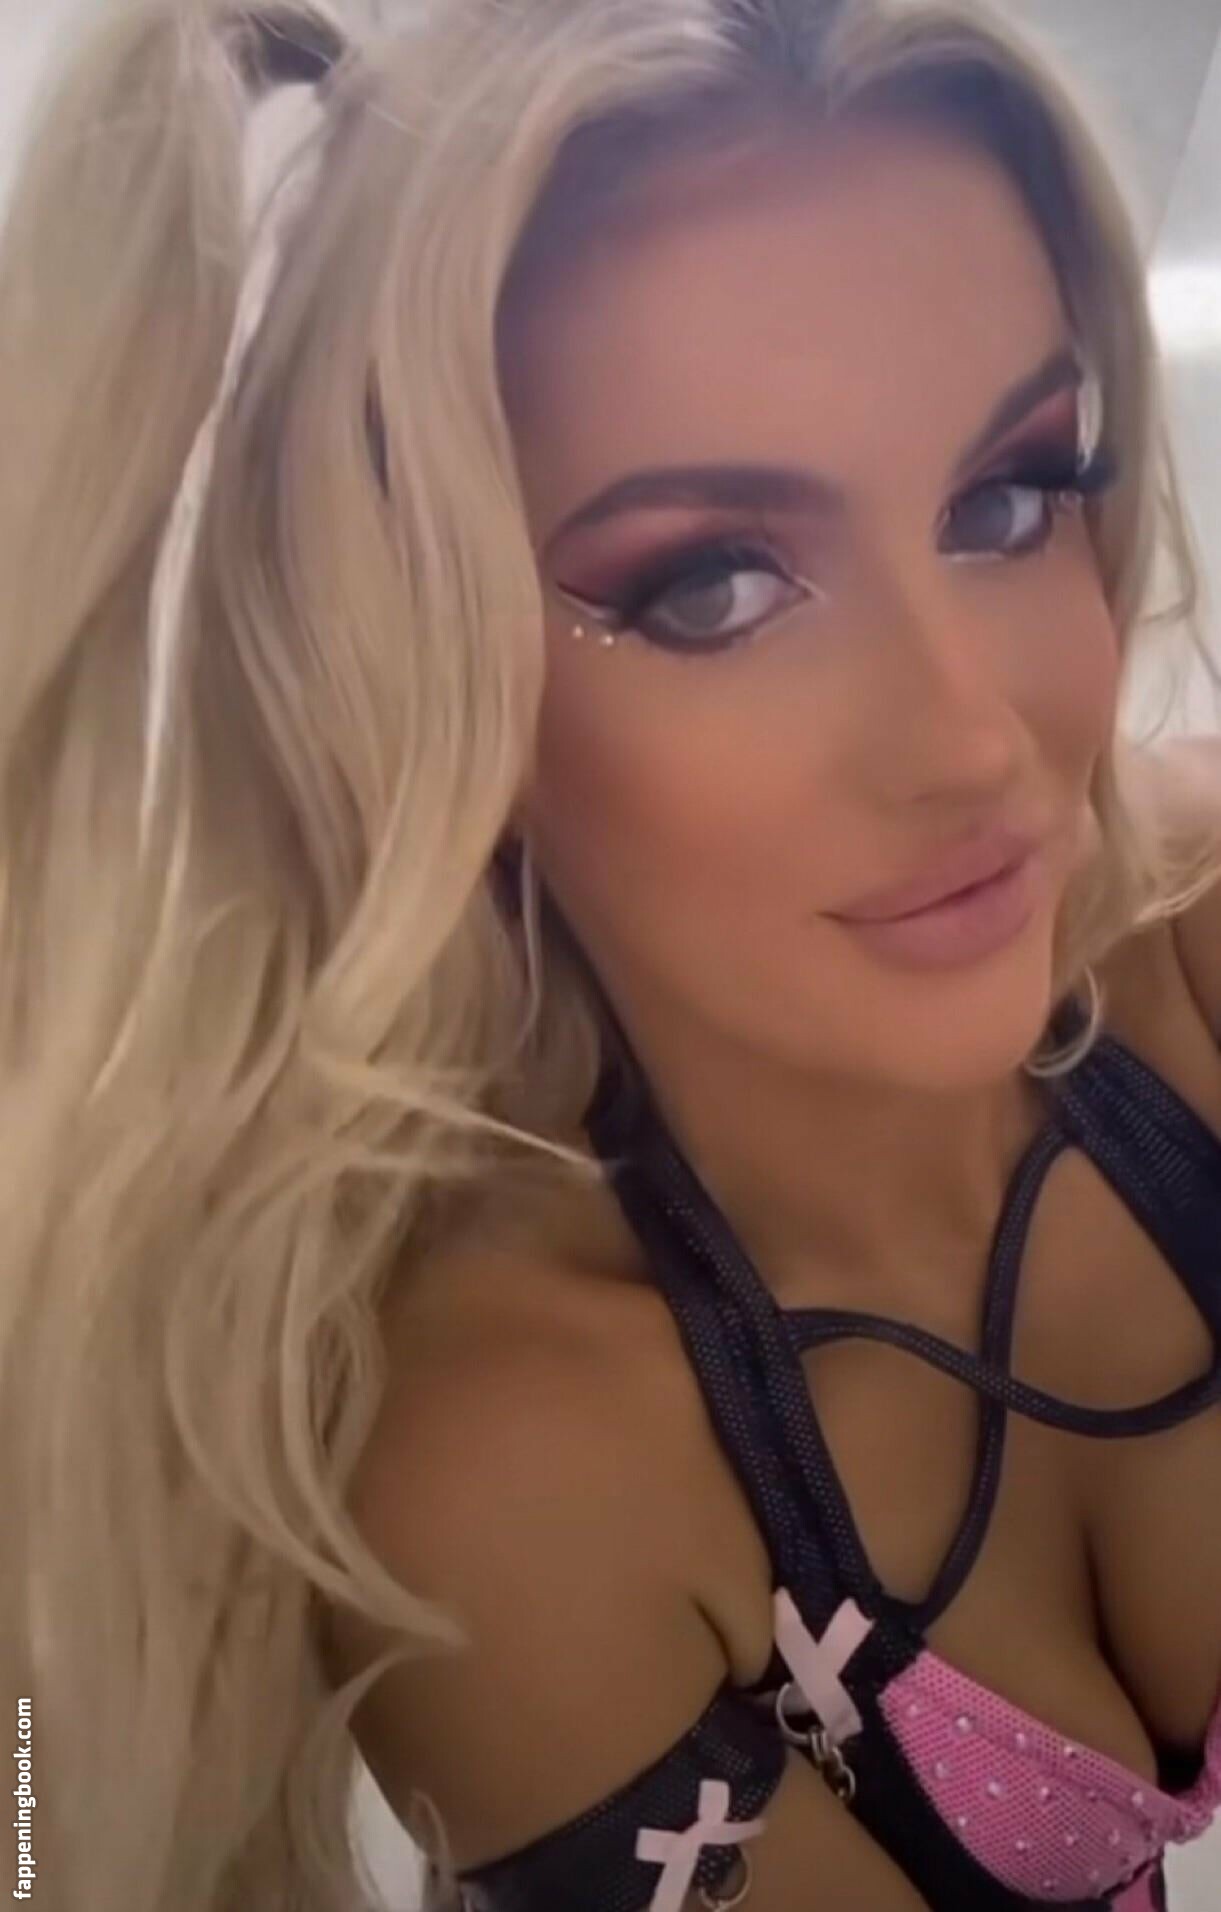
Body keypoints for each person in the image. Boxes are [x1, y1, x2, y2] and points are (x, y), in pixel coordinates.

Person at [3, 0, 1221, 1907]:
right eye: (711, 584)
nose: (976, 740)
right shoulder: (511, 1476)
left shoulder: (1195, 940)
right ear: (423, 689)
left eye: (1005, 498)